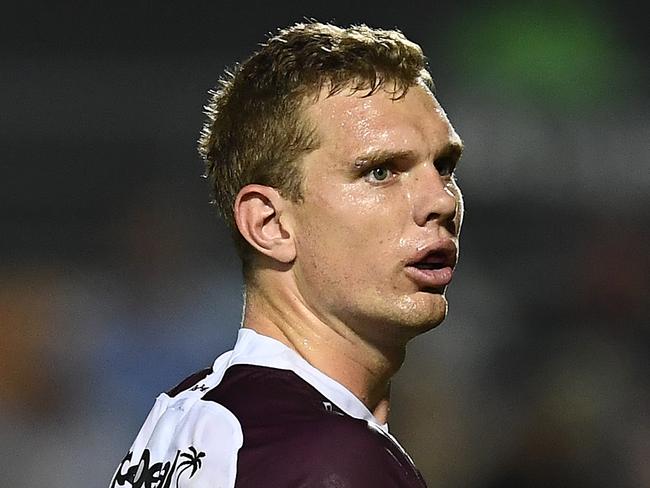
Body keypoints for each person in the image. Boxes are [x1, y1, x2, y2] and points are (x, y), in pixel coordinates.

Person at [110, 21, 463, 488]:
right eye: (380, 171)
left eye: (444, 166)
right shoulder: (330, 461)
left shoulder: (187, 415)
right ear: (269, 224)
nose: (440, 200)